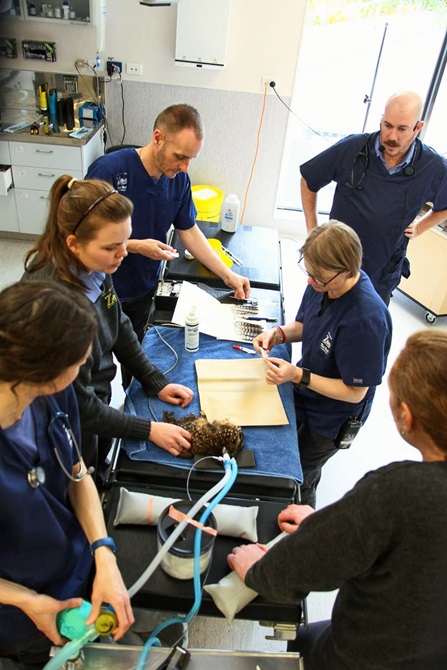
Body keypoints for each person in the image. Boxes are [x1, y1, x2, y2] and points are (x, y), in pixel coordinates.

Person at [228, 328, 447, 670]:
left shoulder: (399, 491)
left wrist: (259, 571)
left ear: (406, 416)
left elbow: (310, 564)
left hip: (373, 656)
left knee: (300, 639)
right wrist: (325, 523)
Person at [23, 175, 195, 487]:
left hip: (95, 400)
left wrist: (153, 379)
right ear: (73, 244)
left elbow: (118, 325)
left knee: (98, 468)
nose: (124, 254)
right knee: (78, 485)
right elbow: (79, 406)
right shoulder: (53, 311)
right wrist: (150, 430)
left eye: (125, 242)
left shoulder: (96, 266)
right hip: (67, 424)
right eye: (113, 247)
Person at [0, 281, 134, 668]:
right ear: (47, 373)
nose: (85, 369)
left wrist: (103, 552)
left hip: (76, 561)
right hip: (21, 609)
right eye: (80, 362)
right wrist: (28, 602)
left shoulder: (52, 395)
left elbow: (78, 473)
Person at [85, 103, 251, 345]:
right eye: (180, 157)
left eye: (191, 159)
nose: (184, 167)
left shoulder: (179, 180)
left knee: (136, 359)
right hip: (103, 288)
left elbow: (190, 231)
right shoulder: (109, 171)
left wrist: (228, 275)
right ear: (158, 138)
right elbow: (84, 235)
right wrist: (135, 246)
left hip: (145, 288)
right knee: (99, 367)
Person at [253, 222, 392, 507]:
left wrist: (297, 375)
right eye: (309, 272)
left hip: (332, 417)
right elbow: (306, 324)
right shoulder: (323, 284)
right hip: (307, 391)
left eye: (320, 279)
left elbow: (355, 392)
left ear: (348, 270)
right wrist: (278, 333)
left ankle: (301, 525)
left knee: (300, 474)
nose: (311, 282)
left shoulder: (366, 321)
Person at [300, 90, 447, 304]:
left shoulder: (433, 167)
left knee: (365, 329)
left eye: (402, 129)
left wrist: (419, 227)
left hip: (380, 274)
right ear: (381, 120)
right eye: (387, 125)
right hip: (332, 265)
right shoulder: (352, 148)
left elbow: (444, 206)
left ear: (417, 128)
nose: (392, 136)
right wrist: (313, 231)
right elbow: (308, 179)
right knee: (316, 326)